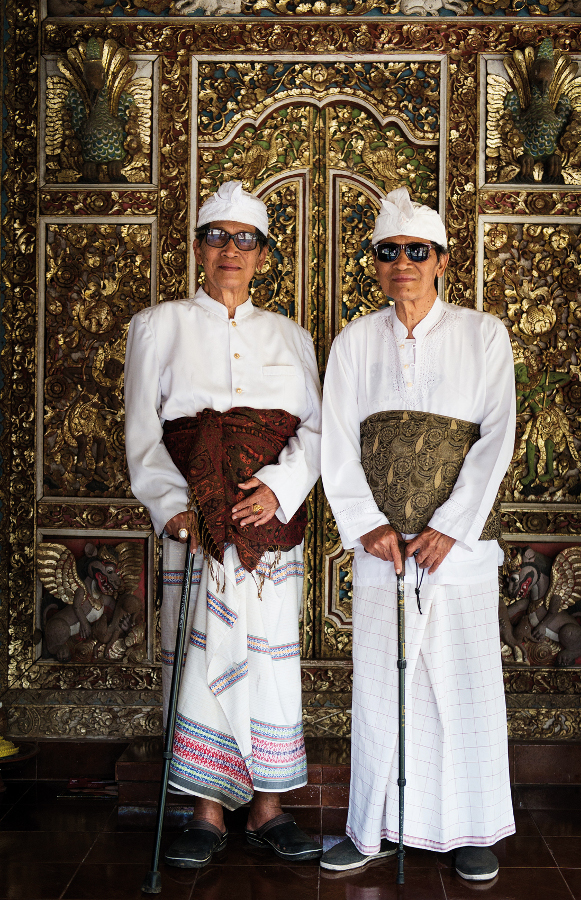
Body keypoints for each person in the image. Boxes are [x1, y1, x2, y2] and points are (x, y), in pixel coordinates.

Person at [320, 187, 516, 881]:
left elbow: (497, 439)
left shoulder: (483, 334)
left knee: (462, 682)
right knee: (380, 689)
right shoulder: (352, 343)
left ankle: (471, 829)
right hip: (383, 552)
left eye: (417, 251)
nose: (402, 262)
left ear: (440, 262)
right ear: (374, 264)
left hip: (457, 553)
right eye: (388, 251)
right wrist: (367, 526)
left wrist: (452, 529)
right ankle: (369, 829)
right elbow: (337, 446)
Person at [124, 181, 322, 868]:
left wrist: (278, 489)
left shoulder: (291, 337)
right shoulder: (157, 327)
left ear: (263, 255)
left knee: (268, 661)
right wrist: (173, 507)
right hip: (195, 525)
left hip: (268, 531)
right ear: (199, 249)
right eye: (217, 238)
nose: (230, 251)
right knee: (202, 661)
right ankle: (205, 811)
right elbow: (143, 435)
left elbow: (317, 431)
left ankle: (269, 808)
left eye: (245, 240)